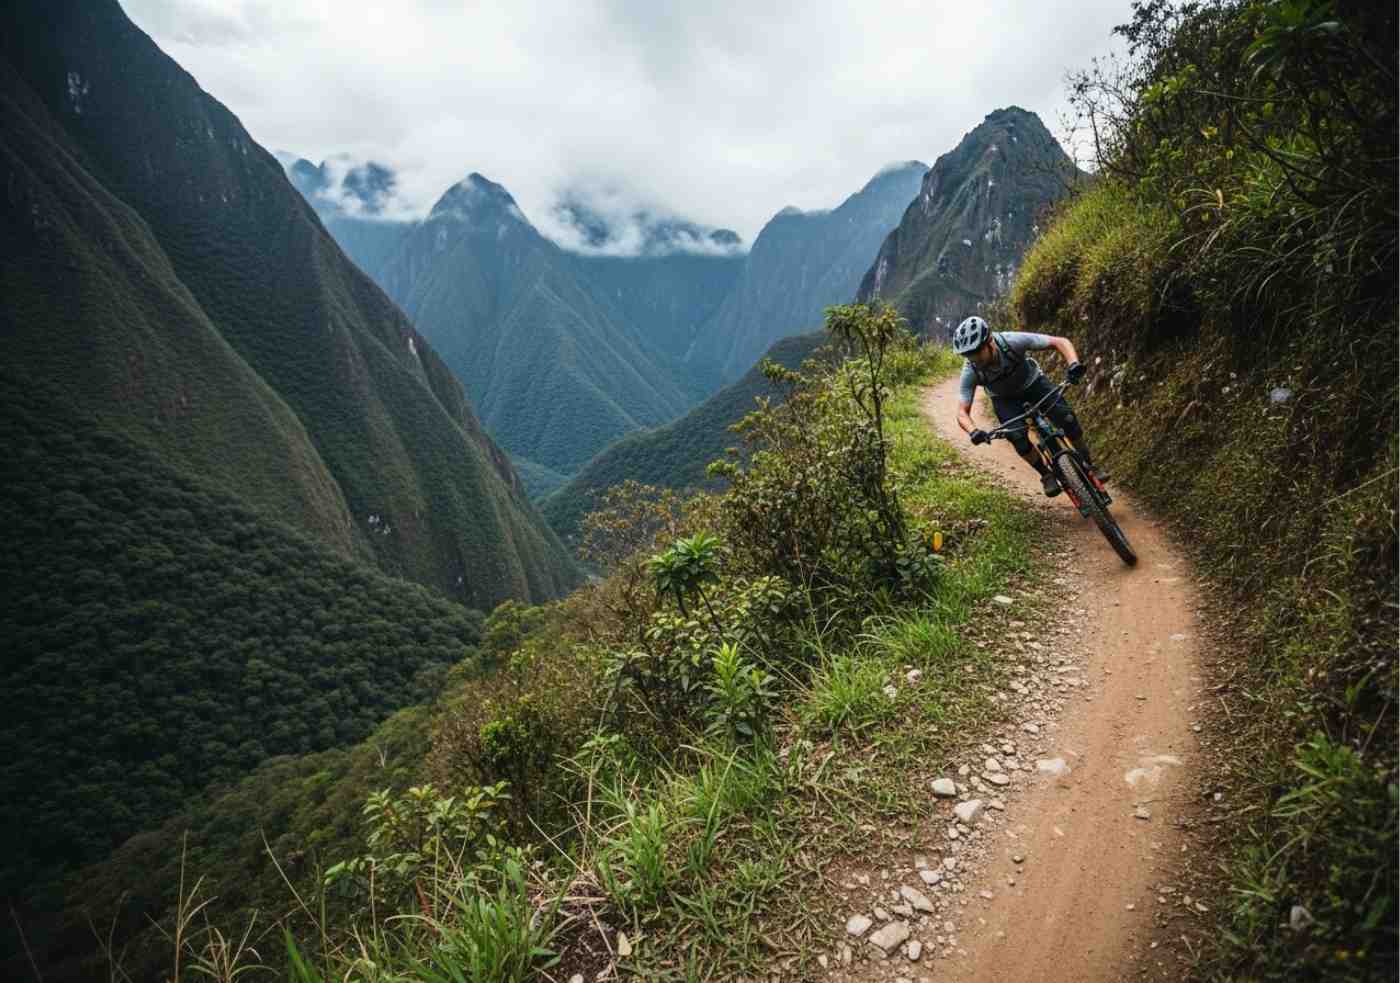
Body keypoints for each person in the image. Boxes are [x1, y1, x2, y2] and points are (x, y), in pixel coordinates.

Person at [951, 315, 1107, 497]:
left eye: (976, 352)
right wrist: (973, 431)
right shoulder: (971, 370)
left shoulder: (1011, 342)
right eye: (968, 355)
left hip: (1034, 384)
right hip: (1004, 399)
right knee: (1017, 437)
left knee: (1067, 419)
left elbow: (1059, 341)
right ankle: (1046, 475)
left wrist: (1074, 364)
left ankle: (1089, 464)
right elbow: (962, 412)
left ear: (989, 341)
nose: (973, 358)